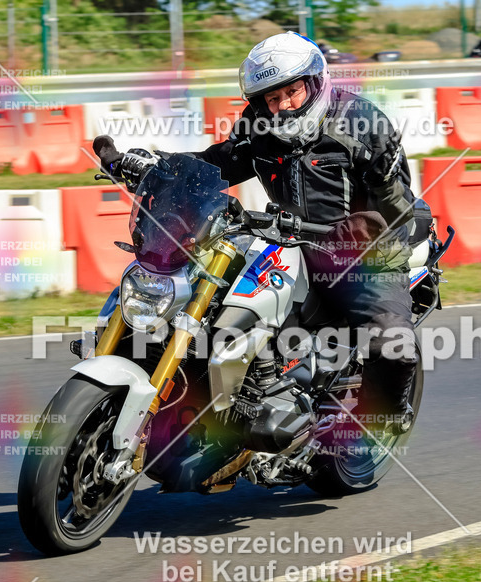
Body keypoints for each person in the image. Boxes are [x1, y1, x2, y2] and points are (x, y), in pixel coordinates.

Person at [94, 31, 423, 438]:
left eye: (292, 91)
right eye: (272, 97)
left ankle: (385, 416)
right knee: (212, 294)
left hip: (362, 256)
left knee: (389, 338)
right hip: (284, 238)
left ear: (315, 83)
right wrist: (154, 164)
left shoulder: (364, 124)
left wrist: (358, 231)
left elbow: (399, 208)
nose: (283, 104)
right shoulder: (260, 127)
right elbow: (218, 165)